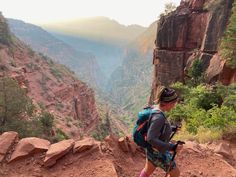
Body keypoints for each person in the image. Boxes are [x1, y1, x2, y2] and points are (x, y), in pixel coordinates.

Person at [139, 87, 183, 177]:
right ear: (169, 103)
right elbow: (151, 138)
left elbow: (156, 127)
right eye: (174, 103)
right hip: (157, 151)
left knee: (147, 170)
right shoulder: (159, 117)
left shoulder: (155, 110)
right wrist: (173, 147)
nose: (174, 106)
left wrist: (172, 128)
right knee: (175, 173)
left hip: (151, 149)